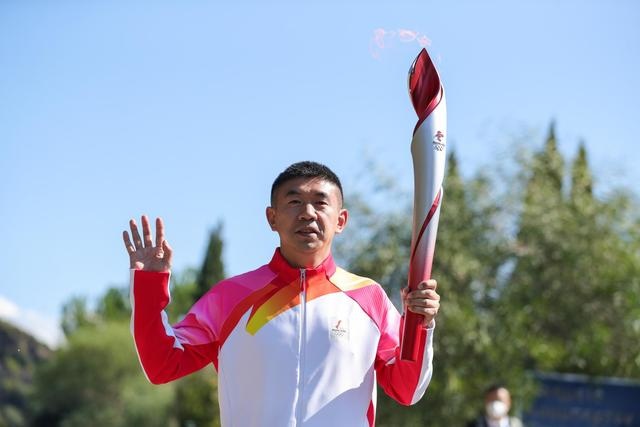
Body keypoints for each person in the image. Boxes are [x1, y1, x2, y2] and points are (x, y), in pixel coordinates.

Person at [123, 161, 441, 427]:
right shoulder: (231, 297)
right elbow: (162, 364)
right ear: (271, 218)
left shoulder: (368, 299)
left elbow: (407, 389)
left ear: (340, 220)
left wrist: (420, 325)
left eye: (320, 202)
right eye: (293, 202)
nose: (307, 213)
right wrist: (150, 284)